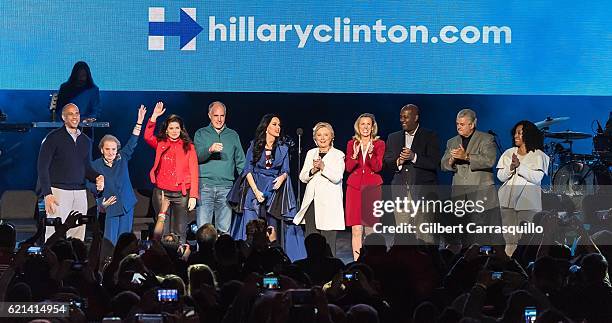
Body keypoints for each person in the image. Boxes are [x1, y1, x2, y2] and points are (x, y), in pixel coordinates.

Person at [228, 114, 304, 260]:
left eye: (279, 125)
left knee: (271, 227)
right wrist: (256, 191)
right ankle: (248, 259)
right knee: (251, 227)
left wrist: (282, 178)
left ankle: (270, 259)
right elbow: (247, 170)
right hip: (254, 186)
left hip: (273, 189)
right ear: (266, 127)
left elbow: (286, 170)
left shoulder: (283, 148)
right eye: (274, 124)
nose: (278, 128)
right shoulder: (255, 145)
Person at [37, 103, 104, 241]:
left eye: (77, 113)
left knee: (78, 232)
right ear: (63, 117)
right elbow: (42, 167)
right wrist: (47, 193)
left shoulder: (85, 141)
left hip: (80, 192)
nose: (75, 117)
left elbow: (86, 168)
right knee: (56, 231)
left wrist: (98, 176)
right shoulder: (53, 138)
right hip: (58, 192)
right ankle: (51, 260)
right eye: (70, 114)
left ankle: (75, 261)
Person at [441, 108, 500, 247]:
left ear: (472, 124)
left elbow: (489, 160)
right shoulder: (452, 142)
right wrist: (450, 161)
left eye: (462, 124)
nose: (458, 127)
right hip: (460, 195)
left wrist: (466, 156)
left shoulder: (486, 138)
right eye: (457, 124)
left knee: (481, 234)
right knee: (462, 234)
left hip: (480, 194)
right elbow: (443, 164)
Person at [90, 105, 147, 246]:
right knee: (110, 241)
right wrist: (101, 203)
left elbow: (132, 141)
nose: (111, 152)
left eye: (114, 149)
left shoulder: (123, 157)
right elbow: (90, 185)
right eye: (107, 149)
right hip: (110, 206)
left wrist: (139, 122)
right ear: (102, 150)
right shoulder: (95, 165)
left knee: (125, 242)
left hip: (127, 205)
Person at [383, 104, 440, 243]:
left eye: (406, 117)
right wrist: (398, 161)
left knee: (424, 234)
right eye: (401, 117)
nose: (402, 120)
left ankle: (427, 262)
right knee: (402, 235)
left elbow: (435, 163)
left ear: (416, 117)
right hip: (401, 192)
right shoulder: (393, 137)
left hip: (423, 192)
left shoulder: (430, 136)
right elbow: (386, 162)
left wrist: (414, 157)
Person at [144, 101, 198, 242]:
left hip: (181, 194)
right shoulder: (161, 143)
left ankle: (179, 261)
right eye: (171, 128)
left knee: (180, 231)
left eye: (177, 128)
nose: (174, 131)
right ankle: (162, 259)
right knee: (163, 230)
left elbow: (194, 171)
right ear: (166, 130)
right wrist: (154, 117)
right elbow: (147, 136)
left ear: (181, 129)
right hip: (162, 194)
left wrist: (193, 196)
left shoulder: (189, 146)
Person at [496, 120, 549, 256]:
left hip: (528, 202)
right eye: (515, 133)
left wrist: (520, 166)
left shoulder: (539, 155)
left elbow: (536, 178)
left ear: (529, 135)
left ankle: (523, 265)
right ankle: (508, 263)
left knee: (526, 237)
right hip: (507, 201)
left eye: (520, 133)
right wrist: (511, 167)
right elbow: (500, 176)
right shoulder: (509, 153)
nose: (516, 136)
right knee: (509, 238)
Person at [293, 122, 345, 256]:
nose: (322, 138)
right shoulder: (311, 153)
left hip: (329, 205)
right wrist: (313, 169)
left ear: (331, 137)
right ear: (315, 138)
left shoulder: (338, 155)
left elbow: (337, 177)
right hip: (312, 203)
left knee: (328, 243)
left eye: (326, 135)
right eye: (319, 135)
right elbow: (303, 177)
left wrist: (323, 167)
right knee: (312, 241)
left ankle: (331, 273)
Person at [193, 101, 245, 233]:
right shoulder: (201, 133)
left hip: (226, 188)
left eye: (222, 115)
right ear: (209, 115)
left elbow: (241, 163)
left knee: (224, 231)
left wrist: (248, 184)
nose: (219, 119)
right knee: (204, 231)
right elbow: (195, 158)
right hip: (205, 187)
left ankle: (223, 254)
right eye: (216, 115)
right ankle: (203, 254)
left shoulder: (233, 135)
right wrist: (209, 150)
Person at [345, 113, 385, 261]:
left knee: (370, 229)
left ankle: (370, 261)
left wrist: (370, 154)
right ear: (358, 126)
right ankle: (357, 262)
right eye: (363, 124)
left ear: (373, 127)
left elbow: (378, 166)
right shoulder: (352, 144)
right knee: (356, 229)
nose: (366, 127)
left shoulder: (379, 144)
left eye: (368, 124)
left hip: (372, 188)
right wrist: (355, 156)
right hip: (354, 188)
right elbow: (348, 168)